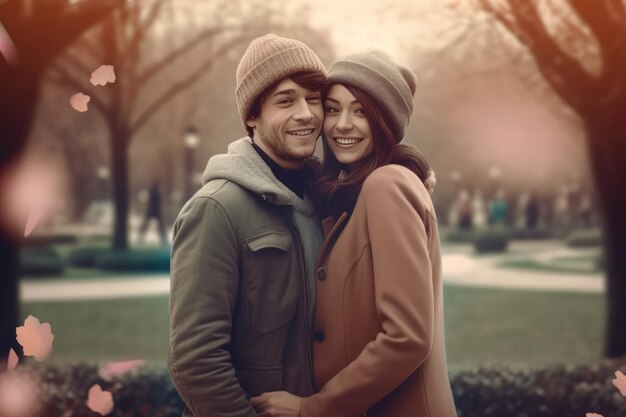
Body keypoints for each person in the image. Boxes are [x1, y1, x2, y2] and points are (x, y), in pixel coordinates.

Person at [251, 50, 457, 417]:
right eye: (333, 109)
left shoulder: (386, 186)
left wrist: (312, 409)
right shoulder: (357, 193)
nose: (342, 124)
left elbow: (407, 337)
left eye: (360, 111)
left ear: (385, 123)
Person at [168, 34, 327, 417]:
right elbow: (195, 362)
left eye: (314, 98)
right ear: (252, 116)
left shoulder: (326, 200)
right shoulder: (216, 209)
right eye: (285, 101)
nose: (306, 113)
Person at [137, 179, 167, 245]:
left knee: (145, 226)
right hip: (155, 210)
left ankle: (140, 239)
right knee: (161, 227)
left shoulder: (151, 191)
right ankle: (164, 240)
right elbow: (157, 202)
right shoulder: (156, 191)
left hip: (151, 210)